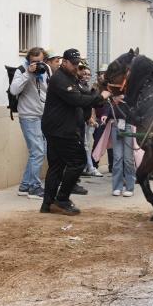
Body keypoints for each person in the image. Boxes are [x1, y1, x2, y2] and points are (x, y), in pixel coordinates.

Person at [41, 49, 110, 215]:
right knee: (78, 162)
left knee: (57, 166)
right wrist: (101, 97)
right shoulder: (59, 79)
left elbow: (85, 93)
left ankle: (48, 204)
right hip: (61, 130)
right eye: (73, 63)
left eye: (77, 64)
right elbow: (76, 99)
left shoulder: (71, 77)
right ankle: (62, 199)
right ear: (64, 62)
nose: (75, 67)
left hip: (61, 128)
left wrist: (101, 94)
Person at [9, 47, 48, 200]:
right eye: (34, 62)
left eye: (40, 61)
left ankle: (25, 186)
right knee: (38, 152)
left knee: (37, 152)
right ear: (28, 60)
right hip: (28, 116)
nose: (38, 64)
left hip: (42, 115)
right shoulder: (21, 70)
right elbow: (14, 90)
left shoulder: (45, 70)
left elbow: (46, 90)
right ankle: (34, 188)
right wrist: (28, 73)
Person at [109, 96, 136, 197]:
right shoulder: (112, 92)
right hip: (116, 125)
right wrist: (113, 100)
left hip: (128, 125)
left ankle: (130, 187)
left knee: (128, 159)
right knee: (117, 158)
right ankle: (117, 187)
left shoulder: (131, 91)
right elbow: (106, 108)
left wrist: (124, 98)